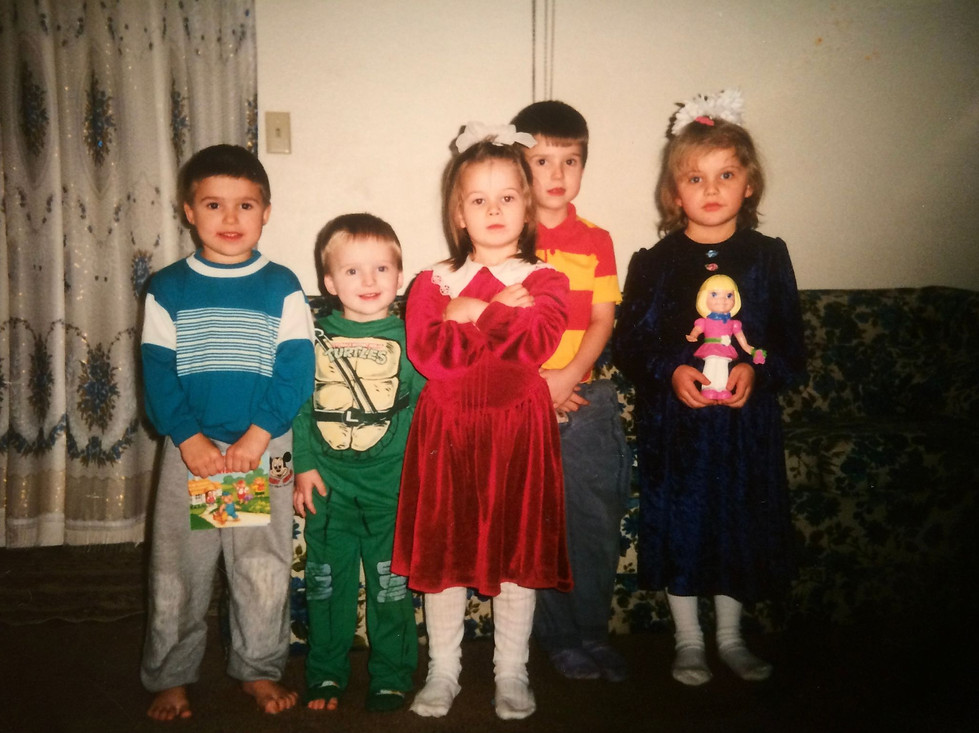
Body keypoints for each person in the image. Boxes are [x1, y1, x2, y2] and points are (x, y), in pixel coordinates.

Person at [611, 91, 806, 686]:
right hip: (678, 428)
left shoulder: (768, 257)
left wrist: (758, 369)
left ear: (750, 184)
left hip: (745, 428)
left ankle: (729, 636)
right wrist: (672, 369)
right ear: (675, 194)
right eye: (695, 178)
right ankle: (689, 639)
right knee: (684, 524)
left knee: (737, 523)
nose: (711, 188)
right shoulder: (654, 261)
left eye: (726, 175)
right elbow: (631, 346)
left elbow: (790, 345)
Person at [392, 123, 571, 720]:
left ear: (527, 207)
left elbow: (534, 344)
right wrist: (493, 311)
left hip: (519, 434)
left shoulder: (547, 280)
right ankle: (443, 671)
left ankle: (511, 671)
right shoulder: (430, 282)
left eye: (507, 197)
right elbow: (431, 353)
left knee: (516, 556)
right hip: (447, 433)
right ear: (459, 214)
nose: (494, 210)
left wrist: (470, 314)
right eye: (479, 199)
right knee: (444, 559)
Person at [140, 144, 315, 720]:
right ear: (189, 211)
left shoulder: (281, 285)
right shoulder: (168, 287)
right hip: (193, 449)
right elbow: (158, 373)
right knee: (180, 569)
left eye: (246, 204)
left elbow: (296, 371)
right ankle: (171, 675)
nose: (231, 218)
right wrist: (189, 440)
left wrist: (258, 437)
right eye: (214, 204)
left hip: (260, 449)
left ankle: (257, 668)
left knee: (259, 564)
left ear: (267, 212)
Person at [510, 101, 631, 682]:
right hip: (521, 402)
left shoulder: (597, 240)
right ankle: (559, 638)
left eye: (571, 161)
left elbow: (603, 319)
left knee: (594, 521)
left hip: (583, 396)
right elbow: (496, 328)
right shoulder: (506, 238)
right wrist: (536, 387)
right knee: (539, 524)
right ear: (521, 166)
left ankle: (592, 633)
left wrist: (566, 377)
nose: (557, 174)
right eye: (542, 161)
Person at [292, 213, 425, 713]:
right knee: (328, 587)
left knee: (391, 587)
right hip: (329, 489)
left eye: (381, 268)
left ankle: (391, 674)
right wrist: (304, 465)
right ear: (329, 282)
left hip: (391, 490)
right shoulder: (310, 337)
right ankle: (326, 673)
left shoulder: (414, 338)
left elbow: (431, 407)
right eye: (352, 270)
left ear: (399, 276)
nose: (368, 280)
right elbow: (299, 406)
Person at [685, 273, 767, 400]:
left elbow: (742, 340)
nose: (722, 300)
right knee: (710, 366)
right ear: (703, 298)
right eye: (714, 294)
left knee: (723, 369)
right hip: (710, 347)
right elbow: (697, 330)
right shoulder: (704, 321)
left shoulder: (734, 324)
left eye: (729, 296)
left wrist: (751, 349)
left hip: (725, 349)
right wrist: (693, 335)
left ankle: (722, 389)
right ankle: (708, 388)